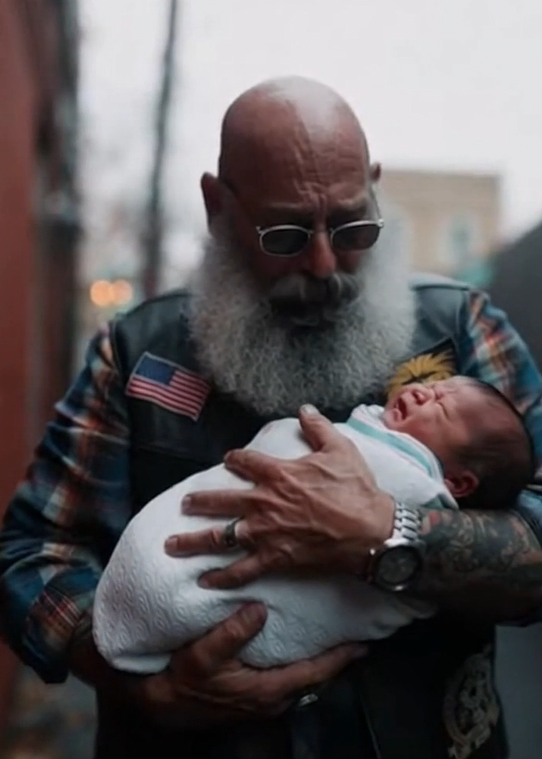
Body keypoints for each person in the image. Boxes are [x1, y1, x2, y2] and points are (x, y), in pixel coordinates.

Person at [1, 75, 542, 759]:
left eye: (352, 226)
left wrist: (388, 533)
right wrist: (142, 684)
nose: (324, 263)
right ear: (218, 207)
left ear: (375, 188)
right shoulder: (138, 353)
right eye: (286, 234)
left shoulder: (461, 328)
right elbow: (32, 552)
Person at [93, 376, 535, 674]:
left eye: (444, 408)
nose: (424, 393)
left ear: (459, 482)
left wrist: (383, 528)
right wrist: (156, 695)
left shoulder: (461, 318)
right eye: (433, 386)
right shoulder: (132, 342)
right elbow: (55, 545)